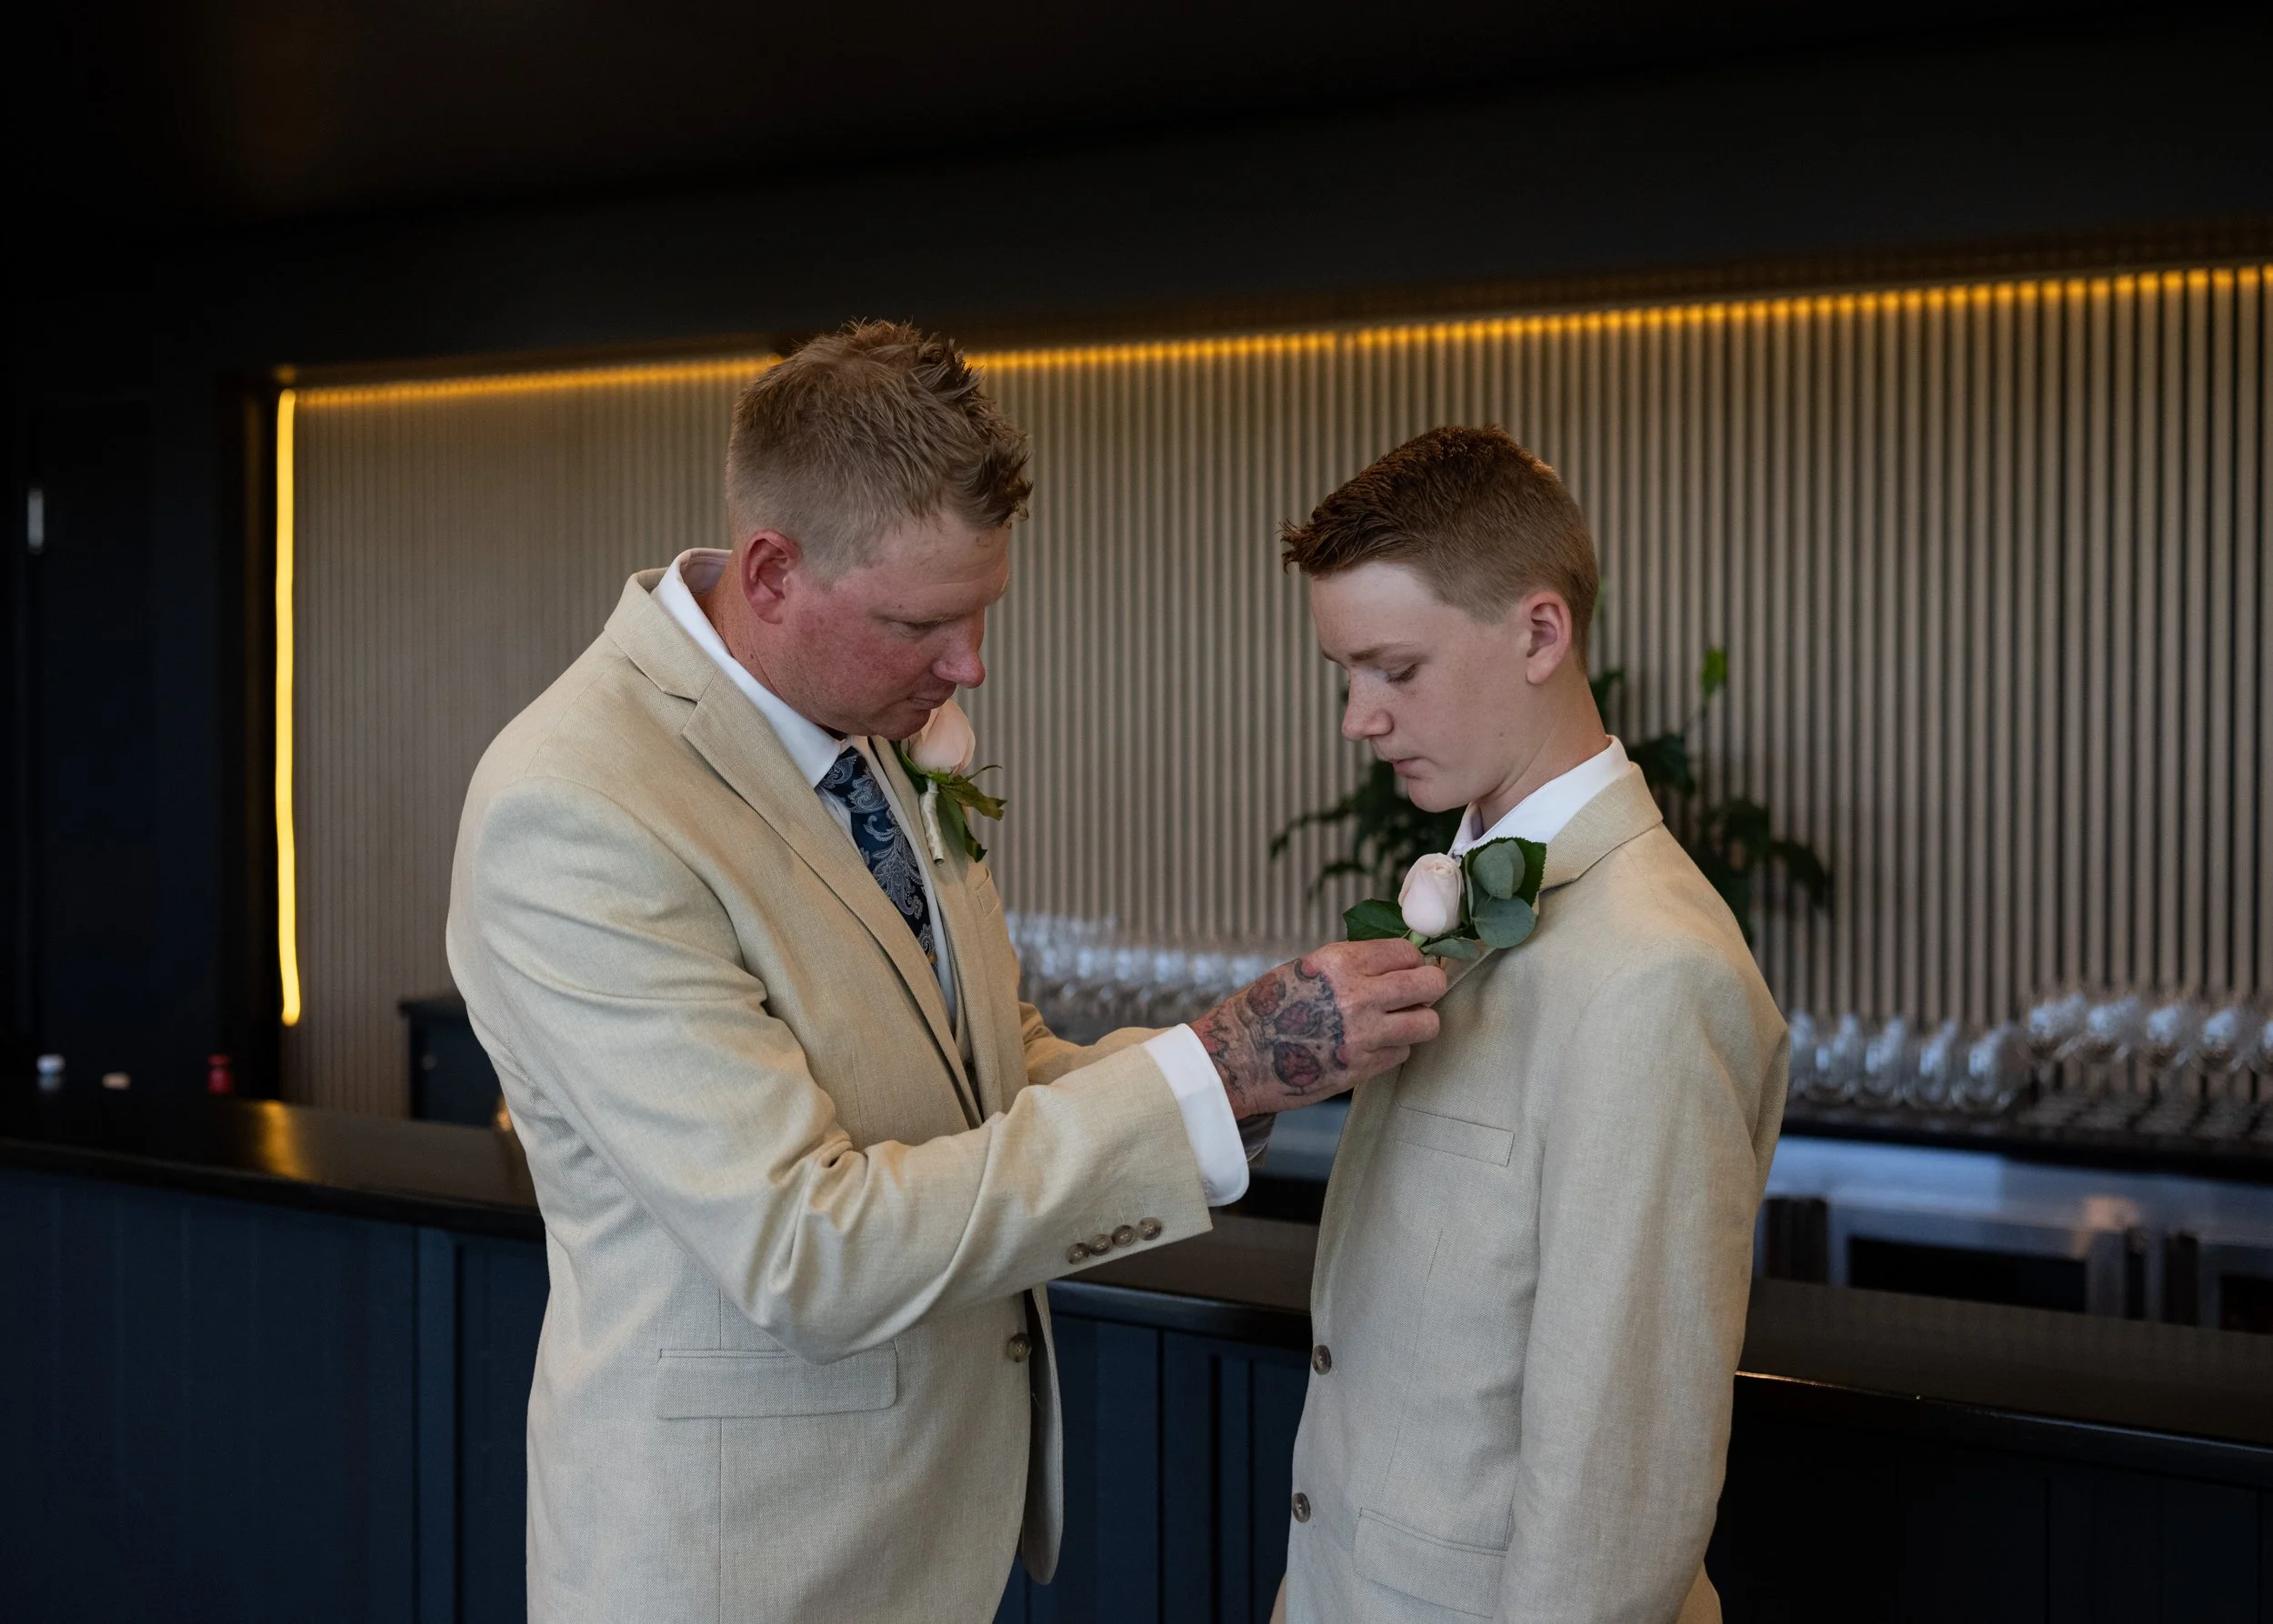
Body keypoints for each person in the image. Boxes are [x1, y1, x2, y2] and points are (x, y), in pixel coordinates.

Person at [445, 322, 1447, 1623]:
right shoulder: (573, 805)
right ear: (770, 574)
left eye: (982, 615)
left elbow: (997, 1070)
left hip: (927, 1543)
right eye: (924, 623)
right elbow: (805, 1246)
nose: (970, 666)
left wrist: (1249, 1070)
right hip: (740, 1571)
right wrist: (1209, 1071)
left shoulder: (863, 720)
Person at [1271, 426, 1789, 1624]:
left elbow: (1618, 1486)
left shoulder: (1654, 974)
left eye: (1395, 669)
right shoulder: (1461, 898)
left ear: (1541, 634)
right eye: (1344, 672)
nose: (1359, 715)